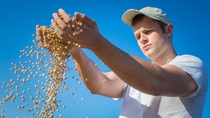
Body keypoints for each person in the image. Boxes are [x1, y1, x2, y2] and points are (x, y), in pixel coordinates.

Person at [36, 6, 208, 118]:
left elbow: (155, 83)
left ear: (168, 30)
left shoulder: (190, 64)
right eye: (138, 36)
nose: (142, 39)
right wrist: (74, 50)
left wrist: (96, 43)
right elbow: (98, 85)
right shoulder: (132, 74)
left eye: (148, 31)